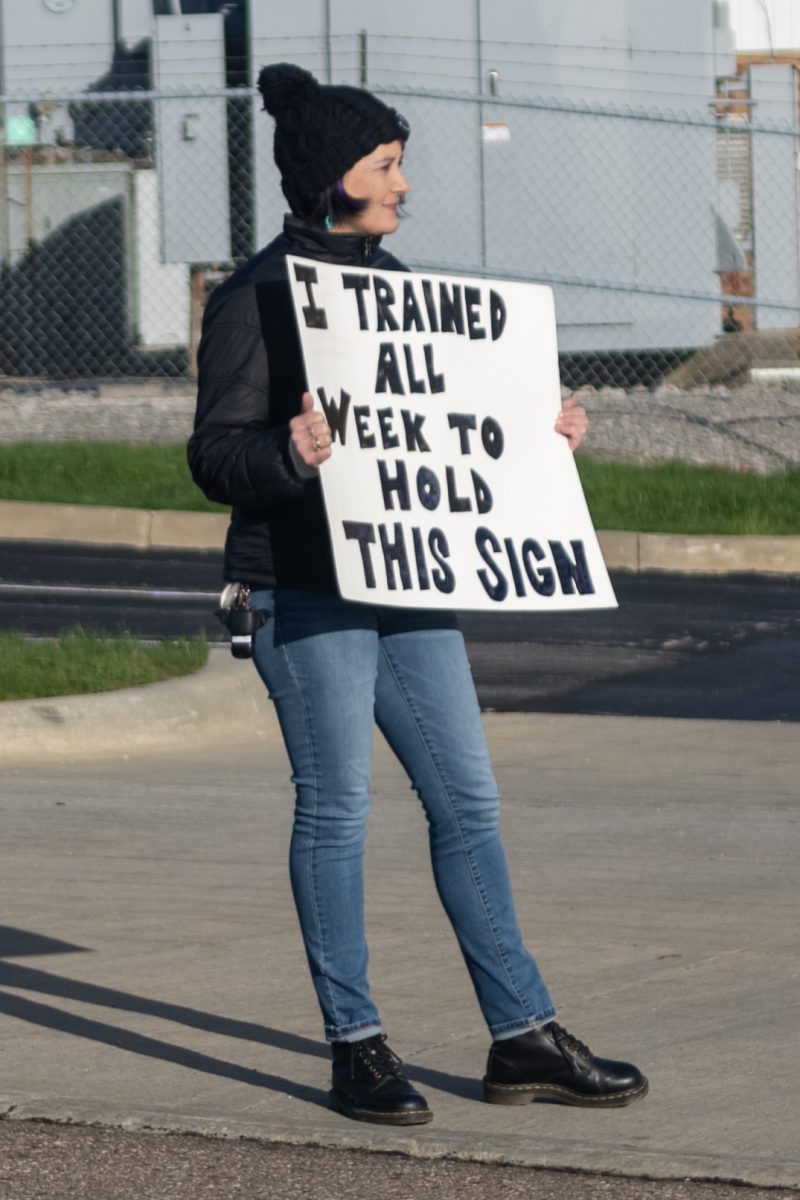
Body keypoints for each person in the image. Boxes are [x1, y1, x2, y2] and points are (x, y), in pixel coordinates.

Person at [188, 62, 648, 1126]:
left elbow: (446, 433)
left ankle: (520, 1035)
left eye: (399, 164)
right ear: (330, 176)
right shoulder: (257, 297)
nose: (402, 185)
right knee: (337, 811)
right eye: (386, 165)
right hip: (305, 590)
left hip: (408, 582)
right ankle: (355, 1046)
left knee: (467, 804)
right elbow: (215, 454)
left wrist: (538, 442)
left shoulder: (399, 290)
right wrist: (289, 453)